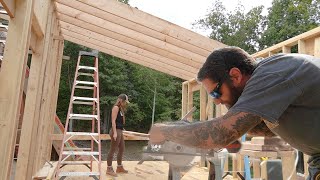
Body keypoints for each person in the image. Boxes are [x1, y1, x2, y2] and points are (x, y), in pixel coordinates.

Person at [149, 47, 320, 180]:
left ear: (235, 75)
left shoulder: (270, 74)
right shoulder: (268, 78)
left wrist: (165, 132)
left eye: (216, 93)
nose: (216, 101)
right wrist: (191, 129)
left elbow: (220, 134)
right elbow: (262, 126)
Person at [106, 94, 130, 177]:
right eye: (124, 102)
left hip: (120, 130)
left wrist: (122, 129)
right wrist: (115, 133)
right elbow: (113, 121)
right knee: (113, 149)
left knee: (122, 148)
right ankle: (109, 168)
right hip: (115, 131)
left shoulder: (120, 109)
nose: (125, 103)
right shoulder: (115, 108)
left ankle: (119, 167)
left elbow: (120, 122)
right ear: (120, 100)